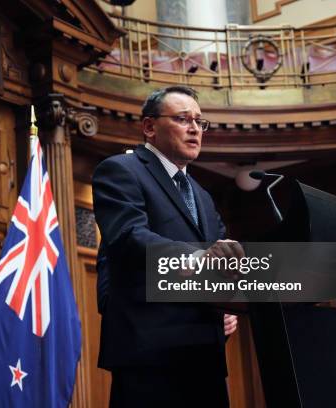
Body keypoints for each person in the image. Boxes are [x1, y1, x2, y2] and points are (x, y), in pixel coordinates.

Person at [92, 86, 240, 407]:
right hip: (150, 355)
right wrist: (200, 257)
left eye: (200, 122)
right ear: (149, 127)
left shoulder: (203, 195)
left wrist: (228, 307)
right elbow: (129, 236)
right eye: (183, 119)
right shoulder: (120, 170)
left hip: (205, 357)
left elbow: (220, 265)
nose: (194, 129)